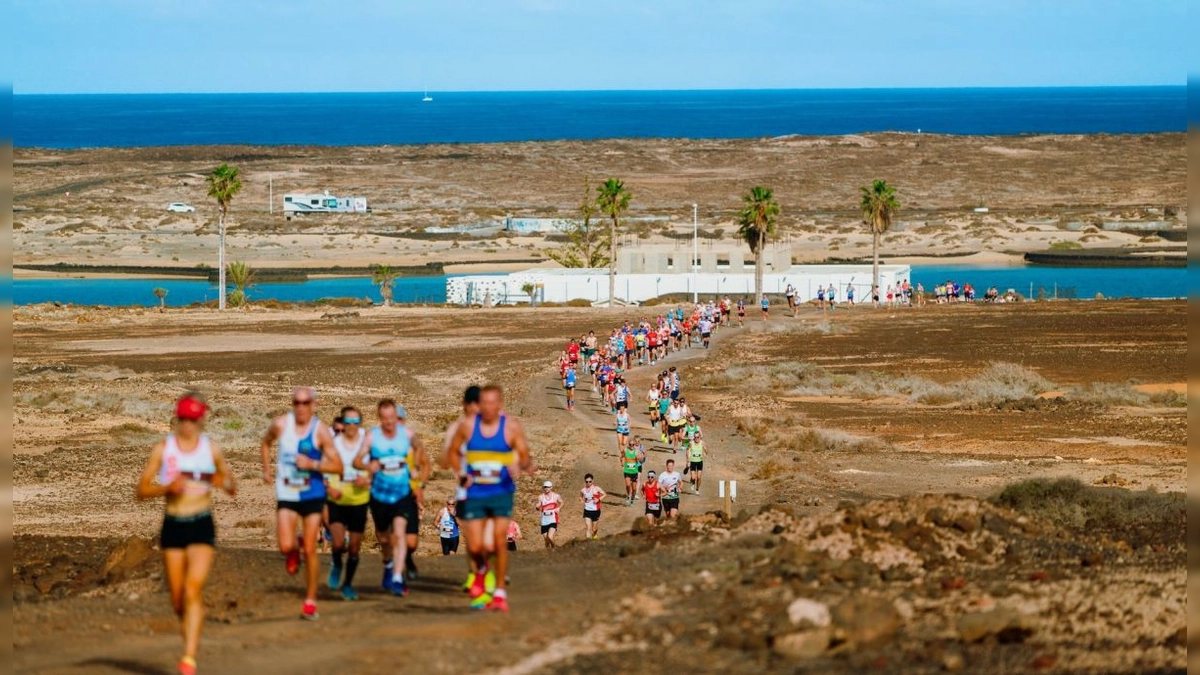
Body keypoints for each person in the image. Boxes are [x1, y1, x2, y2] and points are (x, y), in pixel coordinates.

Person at [136, 394, 236, 675]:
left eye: (193, 419)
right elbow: (141, 490)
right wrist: (166, 489)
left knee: (193, 590)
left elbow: (231, 485)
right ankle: (189, 628)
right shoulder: (163, 449)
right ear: (177, 419)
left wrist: (220, 480)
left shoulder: (210, 449)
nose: (188, 425)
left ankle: (189, 657)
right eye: (183, 419)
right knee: (178, 598)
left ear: (201, 420)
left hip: (201, 523)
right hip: (173, 524)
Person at [442, 384, 535, 612]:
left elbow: (523, 454)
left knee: (496, 542)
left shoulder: (510, 426)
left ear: (500, 404)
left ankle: (499, 591)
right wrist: (461, 473)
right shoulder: (466, 427)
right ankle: (481, 574)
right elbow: (452, 453)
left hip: (501, 492)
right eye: (485, 402)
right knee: (475, 545)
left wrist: (524, 464)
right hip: (474, 493)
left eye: (493, 402)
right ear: (479, 405)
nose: (489, 407)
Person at [260, 386, 342, 621]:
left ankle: (310, 601)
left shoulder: (320, 431)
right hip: (287, 493)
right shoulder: (281, 425)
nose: (301, 407)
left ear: (313, 405)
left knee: (310, 549)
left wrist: (313, 465)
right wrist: (266, 470)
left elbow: (337, 466)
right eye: (297, 402)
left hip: (312, 494)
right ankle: (292, 548)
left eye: (306, 403)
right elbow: (265, 443)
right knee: (286, 546)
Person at [354, 399, 424, 597]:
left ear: (396, 416)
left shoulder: (407, 435)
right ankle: (388, 563)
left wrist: (414, 472)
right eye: (385, 419)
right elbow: (357, 460)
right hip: (379, 495)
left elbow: (418, 449)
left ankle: (396, 578)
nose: (389, 422)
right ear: (380, 418)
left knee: (400, 534)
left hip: (402, 493)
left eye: (392, 418)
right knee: (385, 539)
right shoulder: (371, 437)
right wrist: (369, 466)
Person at [323, 406, 371, 601]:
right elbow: (323, 474)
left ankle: (348, 584)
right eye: (347, 422)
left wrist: (367, 481)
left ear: (360, 424)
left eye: (355, 422)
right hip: (337, 499)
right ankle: (336, 563)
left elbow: (375, 469)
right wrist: (329, 489)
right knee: (337, 542)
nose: (351, 426)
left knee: (354, 548)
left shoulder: (366, 445)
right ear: (342, 423)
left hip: (359, 500)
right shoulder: (333, 445)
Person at [537, 481, 563, 549]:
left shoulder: (556, 496)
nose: (546, 488)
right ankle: (548, 554)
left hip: (553, 520)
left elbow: (562, 502)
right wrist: (537, 506)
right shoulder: (541, 497)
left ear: (551, 487)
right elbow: (539, 504)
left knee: (550, 537)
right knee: (546, 540)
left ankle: (554, 549)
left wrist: (559, 508)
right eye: (545, 487)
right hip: (544, 521)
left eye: (548, 487)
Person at [580, 473, 605, 540]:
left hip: (596, 511)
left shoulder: (596, 488)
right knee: (588, 528)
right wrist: (582, 500)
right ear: (585, 481)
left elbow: (605, 494)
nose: (588, 483)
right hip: (587, 510)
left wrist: (598, 499)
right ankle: (587, 542)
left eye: (590, 481)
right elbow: (580, 497)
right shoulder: (583, 490)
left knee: (594, 529)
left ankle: (595, 535)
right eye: (587, 482)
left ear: (592, 481)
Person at [621, 436, 644, 505]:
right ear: (628, 444)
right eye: (630, 445)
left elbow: (641, 459)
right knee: (628, 485)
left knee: (634, 488)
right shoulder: (625, 450)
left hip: (634, 472)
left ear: (634, 445)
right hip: (627, 471)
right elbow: (622, 456)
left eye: (633, 445)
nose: (631, 446)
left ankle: (632, 499)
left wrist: (640, 458)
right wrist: (622, 462)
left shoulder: (636, 451)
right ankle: (628, 496)